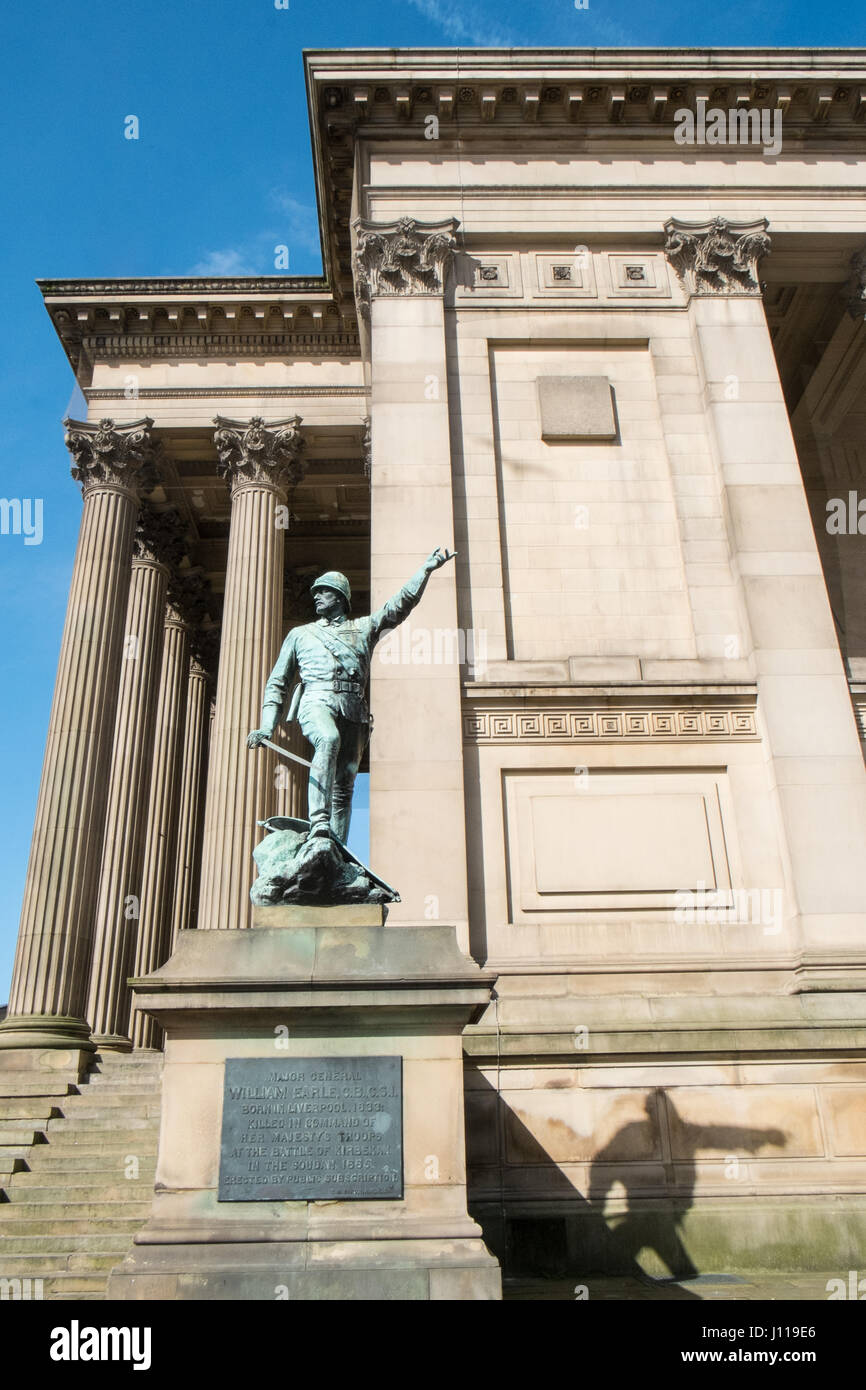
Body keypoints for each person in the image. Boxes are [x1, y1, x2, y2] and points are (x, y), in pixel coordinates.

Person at [248, 546, 456, 844]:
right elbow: (277, 683)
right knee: (328, 739)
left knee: (344, 785)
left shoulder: (362, 627)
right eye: (315, 591)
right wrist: (267, 725)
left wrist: (425, 570)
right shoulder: (300, 635)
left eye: (324, 591)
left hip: (354, 708)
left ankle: (336, 846)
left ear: (340, 598)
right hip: (316, 700)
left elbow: (398, 607)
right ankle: (319, 822)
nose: (316, 596)